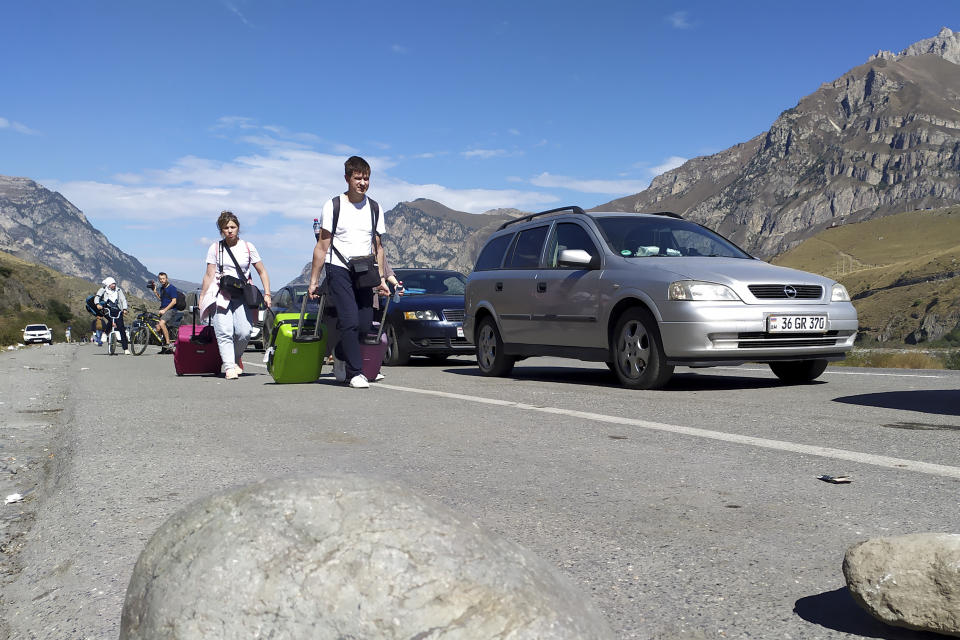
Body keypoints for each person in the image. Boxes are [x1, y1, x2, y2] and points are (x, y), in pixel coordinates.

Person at [309, 156, 390, 389]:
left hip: (364, 270)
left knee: (365, 325)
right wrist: (314, 280)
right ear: (347, 178)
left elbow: (378, 247)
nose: (362, 183)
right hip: (339, 267)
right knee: (349, 320)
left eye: (366, 178)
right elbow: (322, 246)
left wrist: (382, 279)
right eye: (358, 178)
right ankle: (357, 372)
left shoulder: (375, 208)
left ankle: (341, 352)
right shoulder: (333, 205)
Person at [199, 211, 271, 380]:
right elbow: (209, 274)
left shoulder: (248, 247)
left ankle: (235, 356)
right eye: (226, 228)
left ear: (238, 228)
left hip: (242, 294)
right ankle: (229, 366)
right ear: (221, 230)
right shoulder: (215, 248)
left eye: (233, 227)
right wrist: (203, 296)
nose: (230, 230)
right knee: (224, 330)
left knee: (244, 332)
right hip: (221, 293)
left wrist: (267, 293)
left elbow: (262, 271)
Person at [94, 277, 130, 354]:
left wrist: (124, 309)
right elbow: (97, 297)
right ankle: (105, 333)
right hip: (107, 309)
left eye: (114, 284)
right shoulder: (103, 290)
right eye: (112, 284)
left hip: (117, 310)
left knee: (121, 328)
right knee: (111, 320)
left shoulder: (118, 290)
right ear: (108, 285)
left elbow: (123, 300)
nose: (114, 285)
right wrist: (97, 304)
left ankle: (126, 348)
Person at [150, 272, 179, 353]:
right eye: (160, 279)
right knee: (158, 327)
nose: (162, 280)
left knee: (162, 323)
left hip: (171, 310)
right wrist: (155, 291)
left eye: (163, 279)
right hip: (163, 309)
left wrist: (165, 310)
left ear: (167, 279)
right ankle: (164, 347)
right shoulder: (162, 288)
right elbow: (162, 299)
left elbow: (174, 301)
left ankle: (168, 344)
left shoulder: (172, 288)